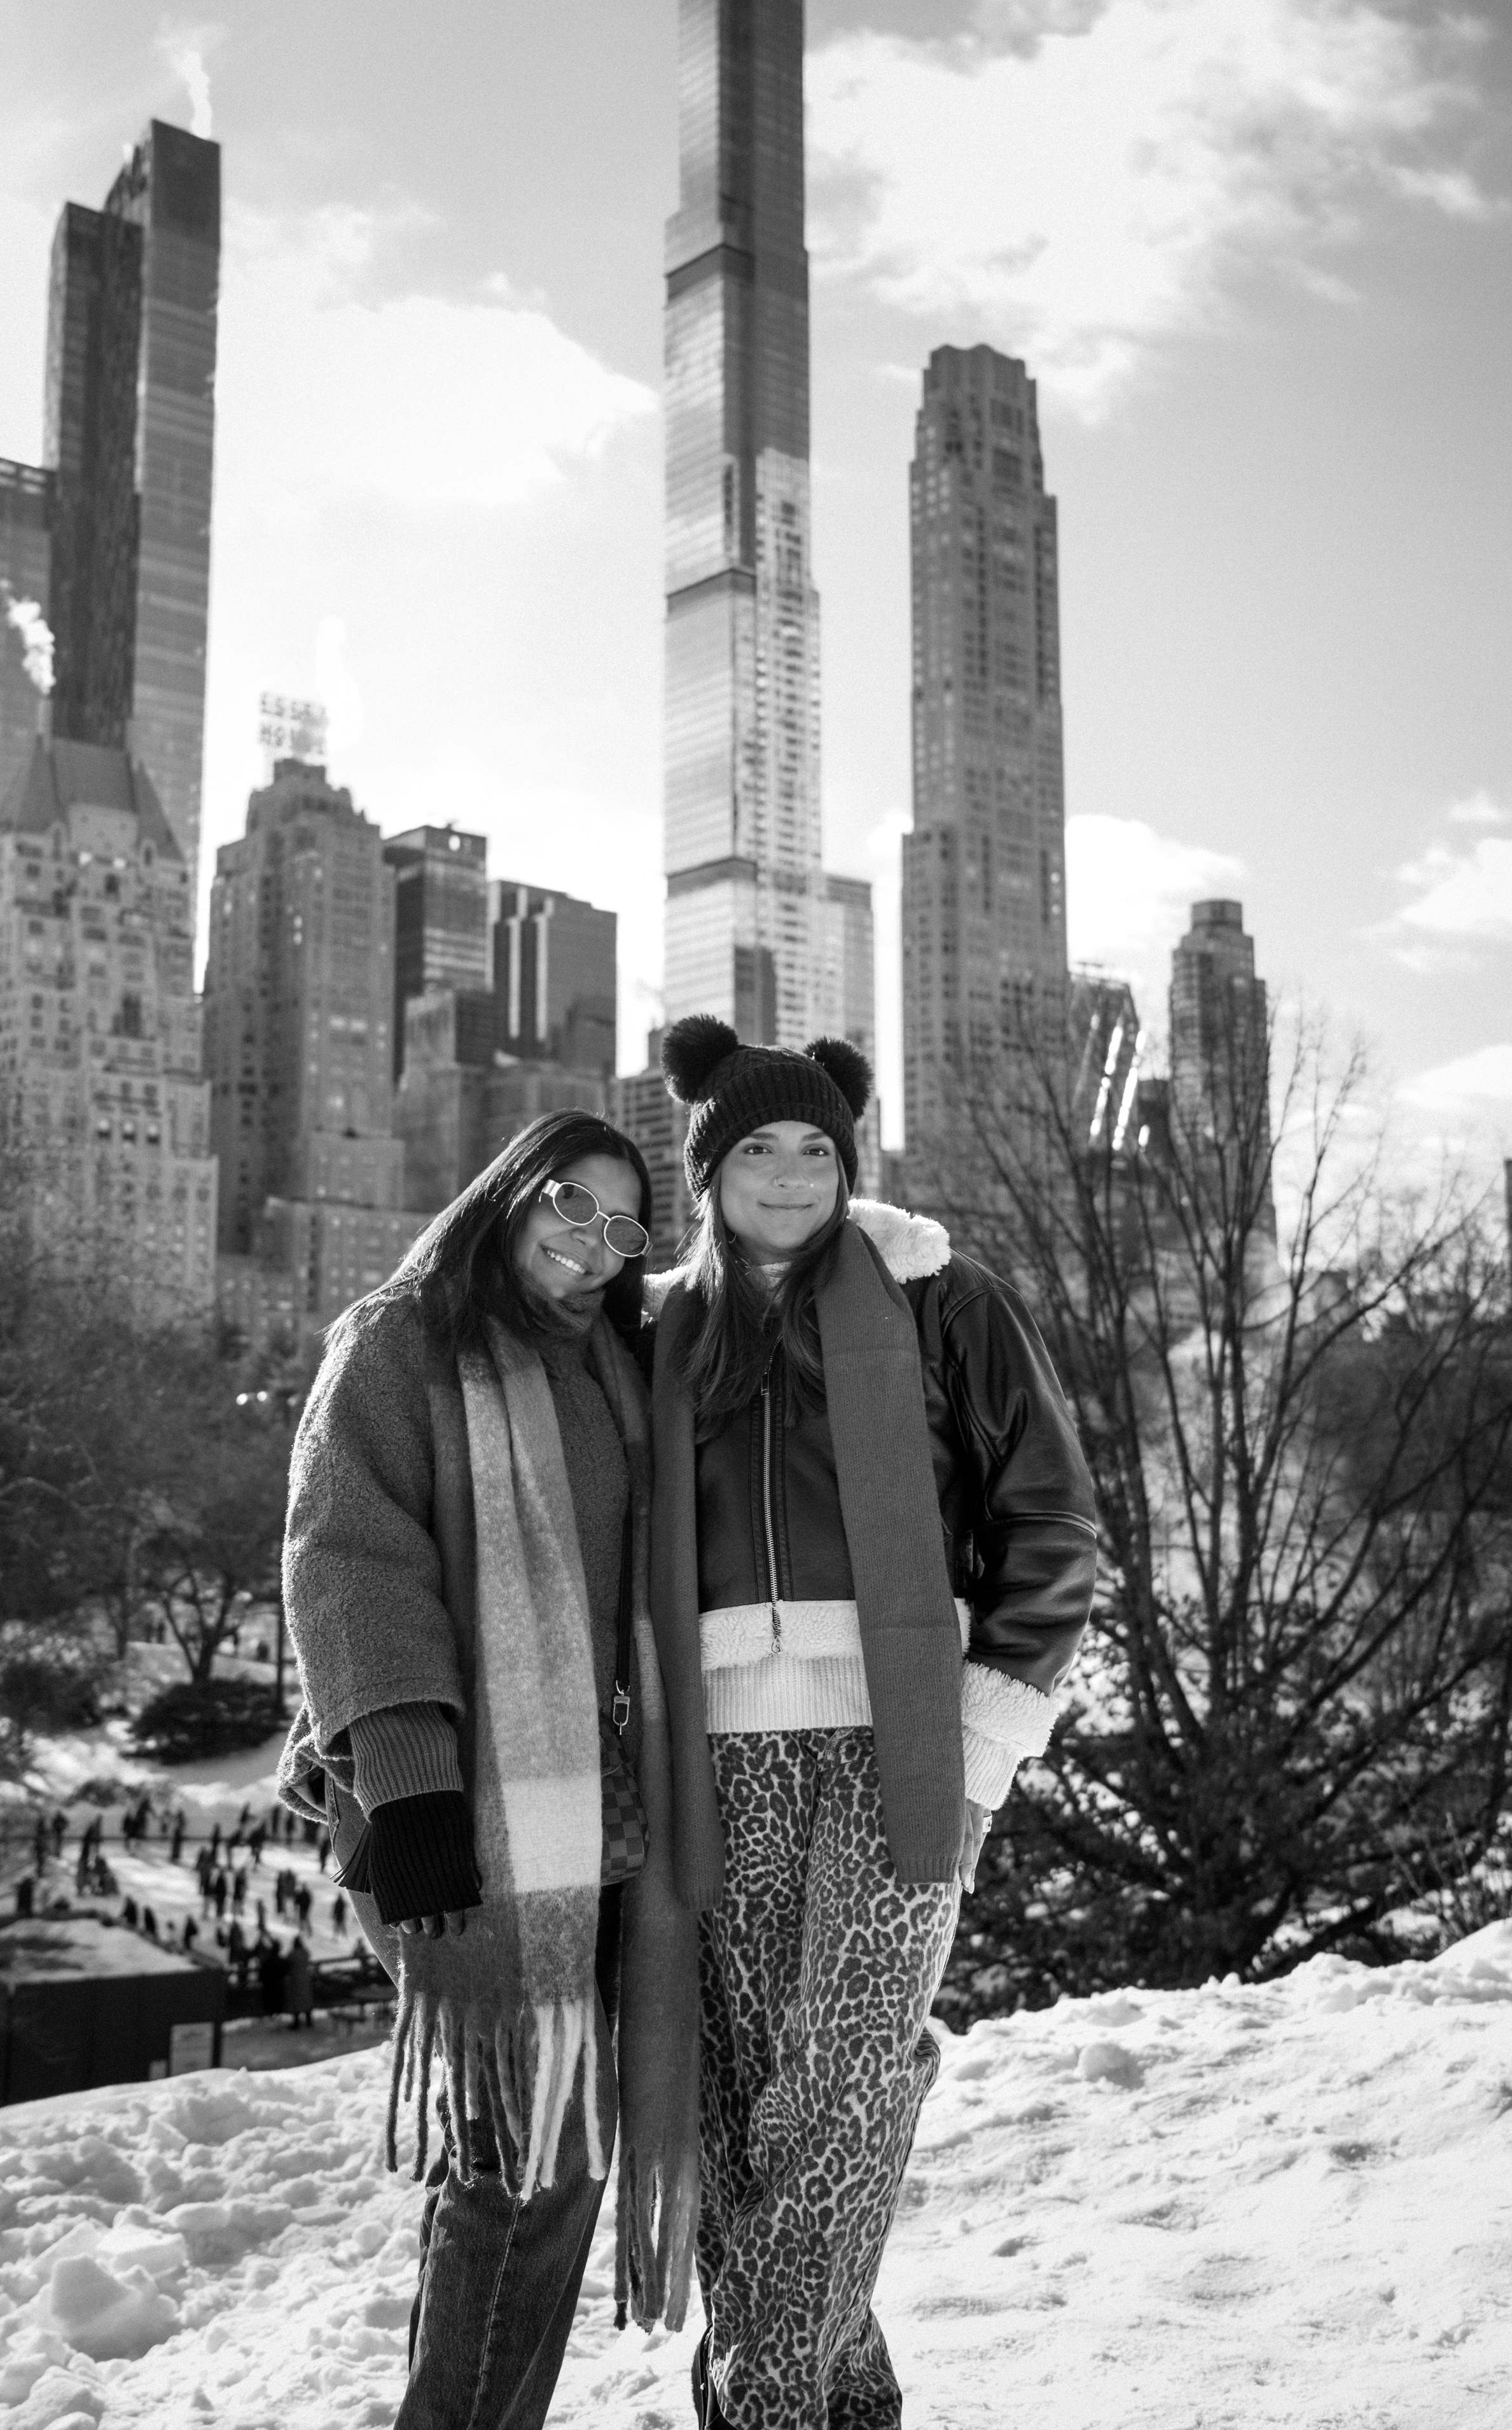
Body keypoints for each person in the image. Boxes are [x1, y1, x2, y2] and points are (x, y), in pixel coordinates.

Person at [648, 1017, 1099, 2430]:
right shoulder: (657, 1328)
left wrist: (979, 1744)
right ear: (704, 1169)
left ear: (849, 1158)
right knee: (740, 2105)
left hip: (898, 1740)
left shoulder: (938, 1296)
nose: (787, 1174)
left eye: (814, 1148)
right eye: (754, 1149)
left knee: (841, 2079)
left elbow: (1051, 1520)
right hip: (715, 1752)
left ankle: (760, 2397)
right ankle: (844, 2408)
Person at [277, 1111, 700, 2430]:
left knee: (551, 2170)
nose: (590, 1246)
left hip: (600, 1822)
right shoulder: (403, 1341)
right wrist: (409, 1792)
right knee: (515, 2169)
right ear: (510, 1189)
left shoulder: (614, 1370)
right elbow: (349, 1560)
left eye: (624, 1229)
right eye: (571, 1205)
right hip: (460, 1822)